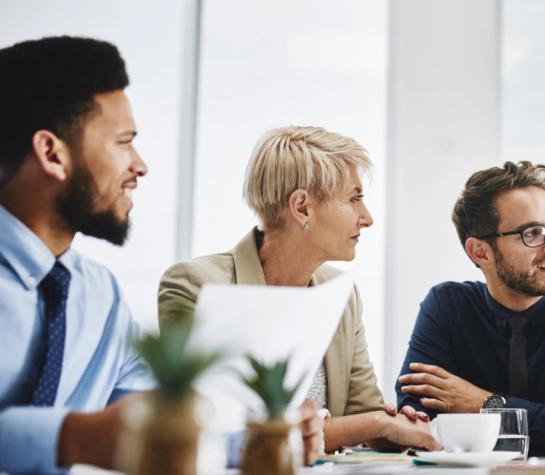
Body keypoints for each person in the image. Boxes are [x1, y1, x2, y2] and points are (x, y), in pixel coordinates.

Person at [0, 36, 323, 473]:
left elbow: (152, 419)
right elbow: (96, 436)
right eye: (123, 142)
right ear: (52, 154)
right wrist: (76, 437)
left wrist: (260, 437)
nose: (140, 165)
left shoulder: (98, 295)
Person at [158, 126, 440, 453]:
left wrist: (395, 427)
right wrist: (376, 424)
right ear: (302, 207)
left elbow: (363, 414)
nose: (368, 218)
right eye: (355, 198)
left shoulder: (342, 294)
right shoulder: (196, 284)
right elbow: (215, 427)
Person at [396, 161, 545, 457]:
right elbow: (417, 425)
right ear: (481, 252)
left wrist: (487, 405)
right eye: (532, 233)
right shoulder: (447, 307)